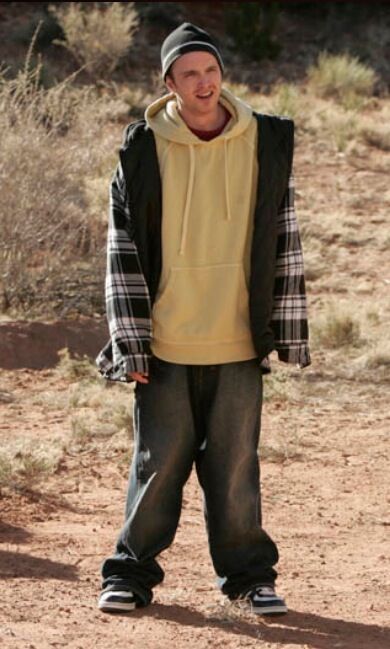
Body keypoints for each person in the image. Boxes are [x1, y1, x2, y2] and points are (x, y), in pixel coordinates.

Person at [95, 22, 310, 616]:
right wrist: (130, 345)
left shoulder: (264, 140)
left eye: (210, 70)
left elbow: (285, 236)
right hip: (166, 340)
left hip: (238, 338)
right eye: (189, 73)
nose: (203, 82)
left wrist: (288, 333)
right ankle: (130, 575)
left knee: (236, 468)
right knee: (156, 465)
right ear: (168, 82)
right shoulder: (142, 148)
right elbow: (121, 254)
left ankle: (249, 578)